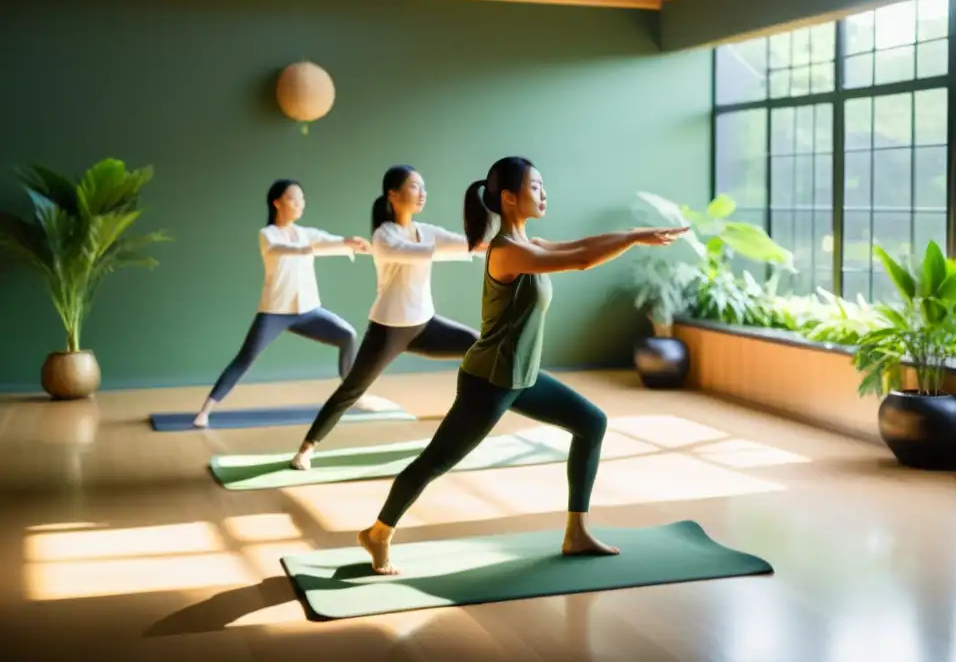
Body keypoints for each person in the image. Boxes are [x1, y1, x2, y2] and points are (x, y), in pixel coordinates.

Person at [355, 156, 689, 574]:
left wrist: (631, 234)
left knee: (591, 423)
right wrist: (635, 238)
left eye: (543, 185)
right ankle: (379, 531)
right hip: (489, 380)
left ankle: (576, 532)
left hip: (521, 375)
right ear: (509, 198)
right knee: (436, 461)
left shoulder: (530, 244)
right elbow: (582, 261)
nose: (543, 193)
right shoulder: (508, 252)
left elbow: (580, 246)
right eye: (535, 187)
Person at [290, 165, 487, 469]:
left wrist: (500, 245)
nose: (422, 192)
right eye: (414, 186)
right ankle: (306, 447)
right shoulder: (385, 236)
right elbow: (423, 253)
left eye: (423, 186)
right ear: (393, 195)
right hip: (389, 330)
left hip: (425, 325)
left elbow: (464, 244)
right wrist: (470, 247)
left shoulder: (427, 231)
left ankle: (466, 424)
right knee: (352, 389)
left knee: (477, 345)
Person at [192, 179, 371, 428]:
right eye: (293, 199)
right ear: (277, 203)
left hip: (308, 311)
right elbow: (283, 249)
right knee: (245, 358)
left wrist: (349, 243)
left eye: (302, 199)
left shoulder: (305, 233)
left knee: (347, 335)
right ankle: (205, 411)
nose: (300, 204)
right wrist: (312, 248)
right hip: (275, 313)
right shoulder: (267, 235)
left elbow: (328, 240)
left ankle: (351, 395)